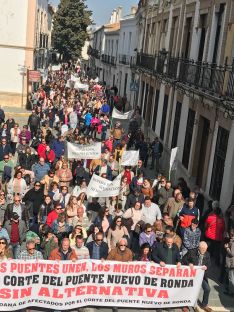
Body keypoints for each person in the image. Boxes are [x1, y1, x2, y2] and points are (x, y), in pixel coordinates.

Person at [183, 241, 212, 312]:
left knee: (207, 289)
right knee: (189, 289)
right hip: (191, 275)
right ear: (199, 248)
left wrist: (206, 267)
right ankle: (186, 305)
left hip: (201, 275)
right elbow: (183, 259)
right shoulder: (191, 252)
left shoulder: (207, 254)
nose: (204, 251)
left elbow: (209, 264)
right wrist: (189, 263)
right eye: (202, 249)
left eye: (205, 249)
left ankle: (204, 305)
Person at [224, 227, 234, 295]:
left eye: (231, 235)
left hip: (231, 263)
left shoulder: (233, 243)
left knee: (231, 278)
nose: (230, 237)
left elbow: (232, 254)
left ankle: (231, 292)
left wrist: (227, 248)